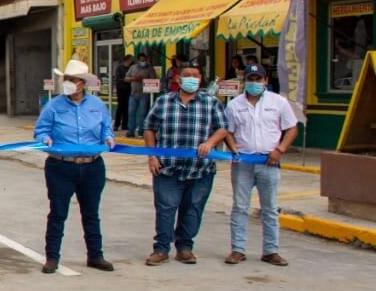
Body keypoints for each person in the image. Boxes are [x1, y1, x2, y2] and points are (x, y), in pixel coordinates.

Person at [33, 60, 116, 274]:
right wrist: (45, 138)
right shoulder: (54, 106)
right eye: (66, 80)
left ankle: (95, 255)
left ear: (82, 83)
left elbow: (106, 128)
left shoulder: (97, 105)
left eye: (72, 80)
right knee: (58, 212)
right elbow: (41, 130)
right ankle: (52, 258)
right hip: (61, 167)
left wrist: (108, 138)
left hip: (92, 166)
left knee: (91, 213)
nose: (68, 84)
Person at [144, 62, 228, 265]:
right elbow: (149, 129)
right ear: (178, 79)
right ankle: (161, 249)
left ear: (201, 79)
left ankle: (185, 248)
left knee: (193, 209)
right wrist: (153, 156)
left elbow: (223, 128)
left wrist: (210, 142)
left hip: (200, 170)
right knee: (166, 209)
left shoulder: (211, 103)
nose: (192, 78)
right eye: (187, 75)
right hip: (168, 168)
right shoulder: (163, 102)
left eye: (196, 75)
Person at [223, 63, 298, 266]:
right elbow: (227, 131)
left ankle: (271, 251)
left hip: (269, 161)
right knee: (240, 207)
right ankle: (238, 250)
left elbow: (291, 128)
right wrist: (233, 148)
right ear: (245, 81)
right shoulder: (234, 105)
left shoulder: (279, 102)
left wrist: (280, 150)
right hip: (243, 162)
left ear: (266, 81)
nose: (254, 83)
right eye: (250, 79)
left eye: (258, 79)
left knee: (270, 208)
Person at [125, 53, 156, 138]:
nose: (142, 62)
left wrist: (143, 79)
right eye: (141, 60)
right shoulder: (133, 67)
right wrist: (133, 78)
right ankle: (131, 131)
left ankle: (141, 131)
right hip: (133, 93)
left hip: (144, 94)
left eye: (144, 60)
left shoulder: (150, 68)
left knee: (143, 113)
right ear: (138, 60)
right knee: (131, 113)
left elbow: (154, 80)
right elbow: (126, 78)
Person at [113, 55, 132, 132]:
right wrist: (126, 79)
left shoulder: (131, 67)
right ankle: (116, 125)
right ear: (126, 60)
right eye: (130, 60)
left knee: (127, 108)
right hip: (121, 90)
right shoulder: (119, 68)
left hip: (129, 89)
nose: (131, 61)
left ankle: (125, 125)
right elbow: (118, 79)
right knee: (120, 107)